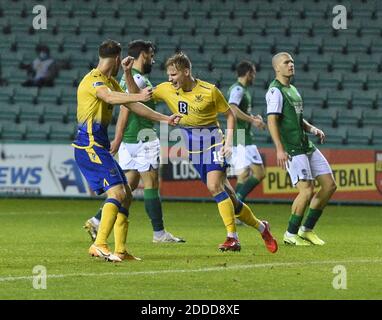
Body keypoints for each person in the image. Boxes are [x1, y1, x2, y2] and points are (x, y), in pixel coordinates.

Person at [123, 51, 277, 253]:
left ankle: (232, 238)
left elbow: (229, 115)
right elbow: (138, 97)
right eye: (169, 75)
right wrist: (127, 73)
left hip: (214, 142)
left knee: (214, 186)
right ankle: (262, 227)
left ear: (186, 71)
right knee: (230, 198)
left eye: (174, 75)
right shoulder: (166, 89)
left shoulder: (209, 91)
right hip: (193, 150)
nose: (170, 79)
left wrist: (228, 143)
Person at [73, 39, 181, 262]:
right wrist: (139, 95)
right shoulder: (93, 80)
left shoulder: (111, 80)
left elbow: (133, 106)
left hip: (100, 145)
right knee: (118, 193)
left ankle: (120, 250)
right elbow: (109, 97)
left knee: (127, 195)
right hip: (88, 145)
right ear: (115, 58)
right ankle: (99, 244)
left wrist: (165, 119)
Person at [266, 52, 337, 246]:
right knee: (306, 191)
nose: (291, 65)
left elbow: (297, 119)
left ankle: (306, 230)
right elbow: (271, 119)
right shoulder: (275, 91)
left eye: (292, 62)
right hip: (292, 148)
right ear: (277, 68)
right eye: (286, 62)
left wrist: (313, 129)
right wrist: (279, 149)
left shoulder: (293, 90)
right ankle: (290, 233)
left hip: (306, 144)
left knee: (330, 185)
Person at [227, 61, 267, 226]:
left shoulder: (241, 90)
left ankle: (235, 212)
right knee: (259, 173)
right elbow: (232, 108)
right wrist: (252, 120)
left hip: (241, 137)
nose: (254, 77)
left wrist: (252, 118)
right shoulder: (237, 89)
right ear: (248, 73)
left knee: (243, 175)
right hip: (242, 138)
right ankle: (236, 208)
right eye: (254, 73)